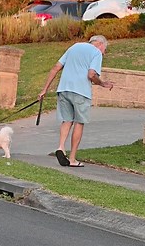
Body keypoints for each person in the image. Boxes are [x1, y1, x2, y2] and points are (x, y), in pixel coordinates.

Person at [38, 35, 113, 167]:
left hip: (64, 89)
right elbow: (91, 74)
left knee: (67, 120)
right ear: (100, 44)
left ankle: (61, 147)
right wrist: (101, 83)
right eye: (104, 49)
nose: (104, 53)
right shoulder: (96, 53)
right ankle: (72, 159)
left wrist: (44, 89)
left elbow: (56, 67)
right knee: (79, 122)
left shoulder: (74, 47)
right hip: (81, 91)